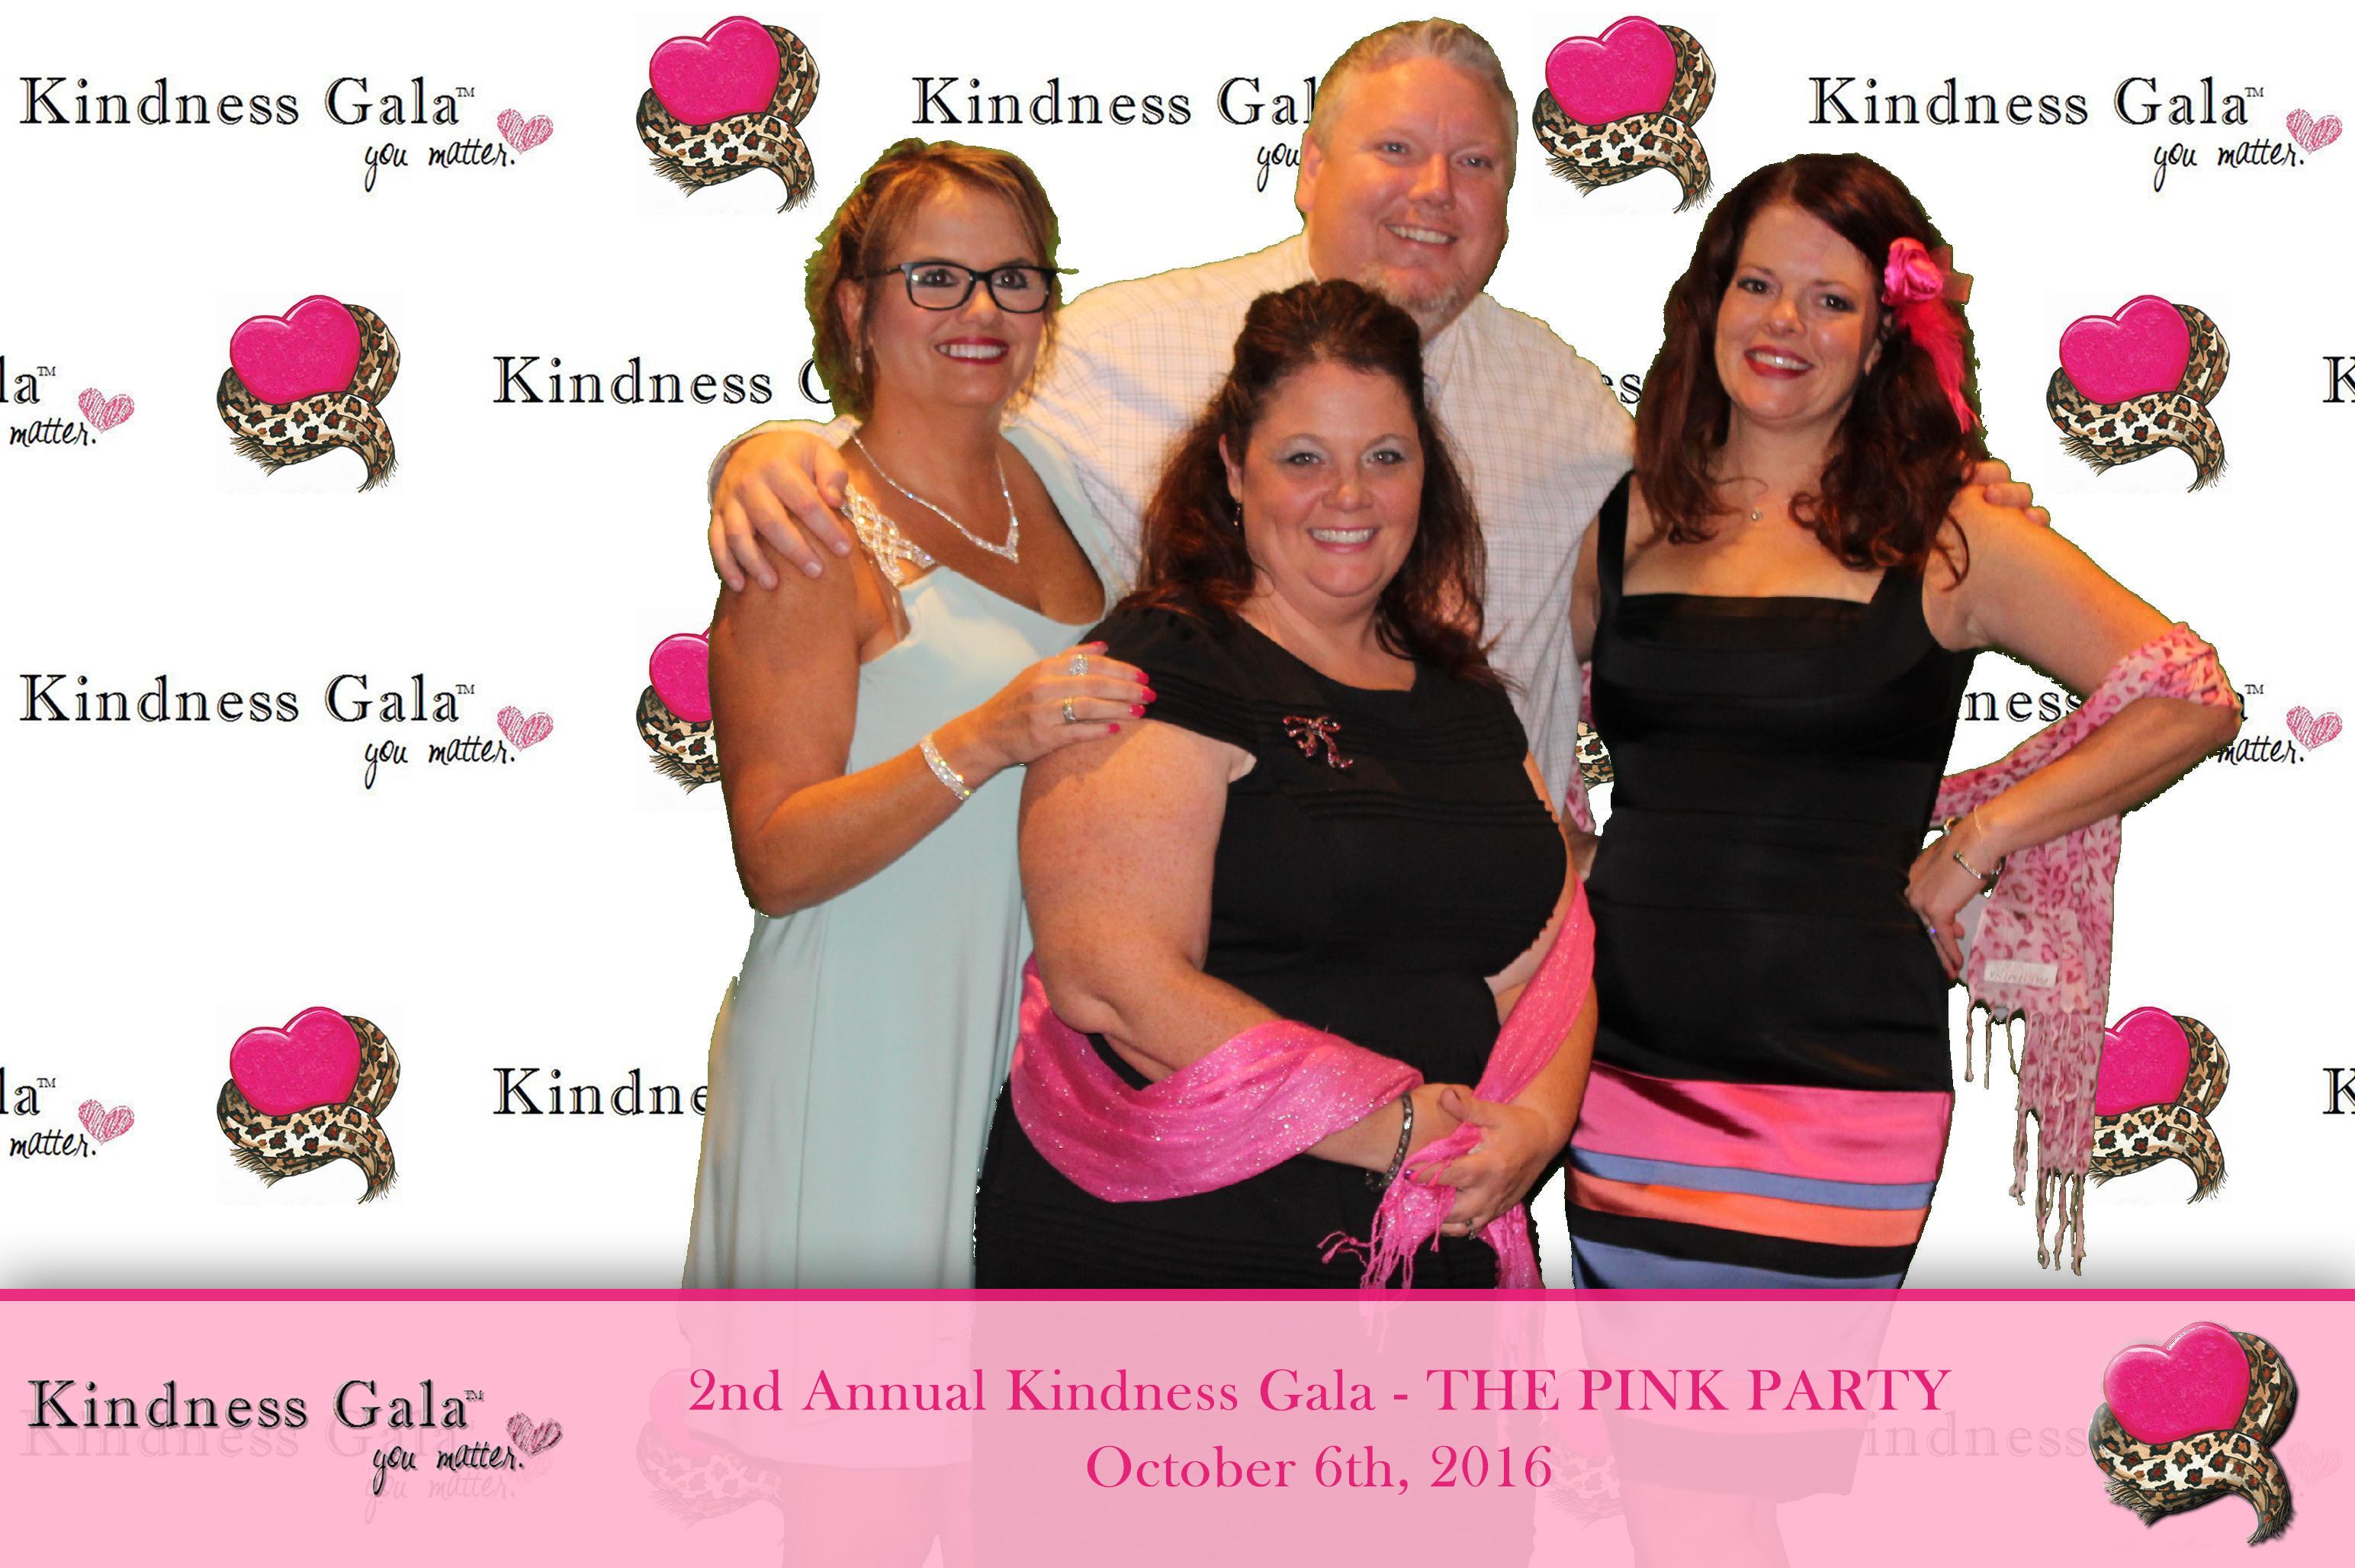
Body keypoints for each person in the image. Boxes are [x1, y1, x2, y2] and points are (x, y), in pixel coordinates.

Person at [1563, 153, 2241, 1291]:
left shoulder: (1951, 533)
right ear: (1710, 302)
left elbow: (2190, 696)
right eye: (1758, 285)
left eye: (1831, 300)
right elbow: (1500, 695)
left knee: (1774, 1412)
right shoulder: (1631, 514)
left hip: (1838, 1088)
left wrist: (1978, 842)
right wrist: (1559, 849)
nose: (1785, 323)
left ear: (1884, 335)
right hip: (1620, 1068)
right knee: (1639, 1407)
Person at [969, 279, 1598, 1288]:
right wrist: (1394, 1128)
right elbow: (1112, 980)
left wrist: (1532, 1126)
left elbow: (1554, 960)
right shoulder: (1162, 663)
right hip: (1180, 1260)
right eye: (1305, 458)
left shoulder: (1467, 697)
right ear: (1233, 467)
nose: (1349, 495)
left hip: (1427, 1244)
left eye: (1385, 457)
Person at [683, 140, 1150, 1289]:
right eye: (935, 278)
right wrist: (983, 737)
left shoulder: (1066, 478)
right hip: (863, 1049)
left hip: (1029, 1048)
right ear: (856, 308)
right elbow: (776, 857)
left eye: (1014, 277)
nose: (980, 311)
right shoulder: (806, 531)